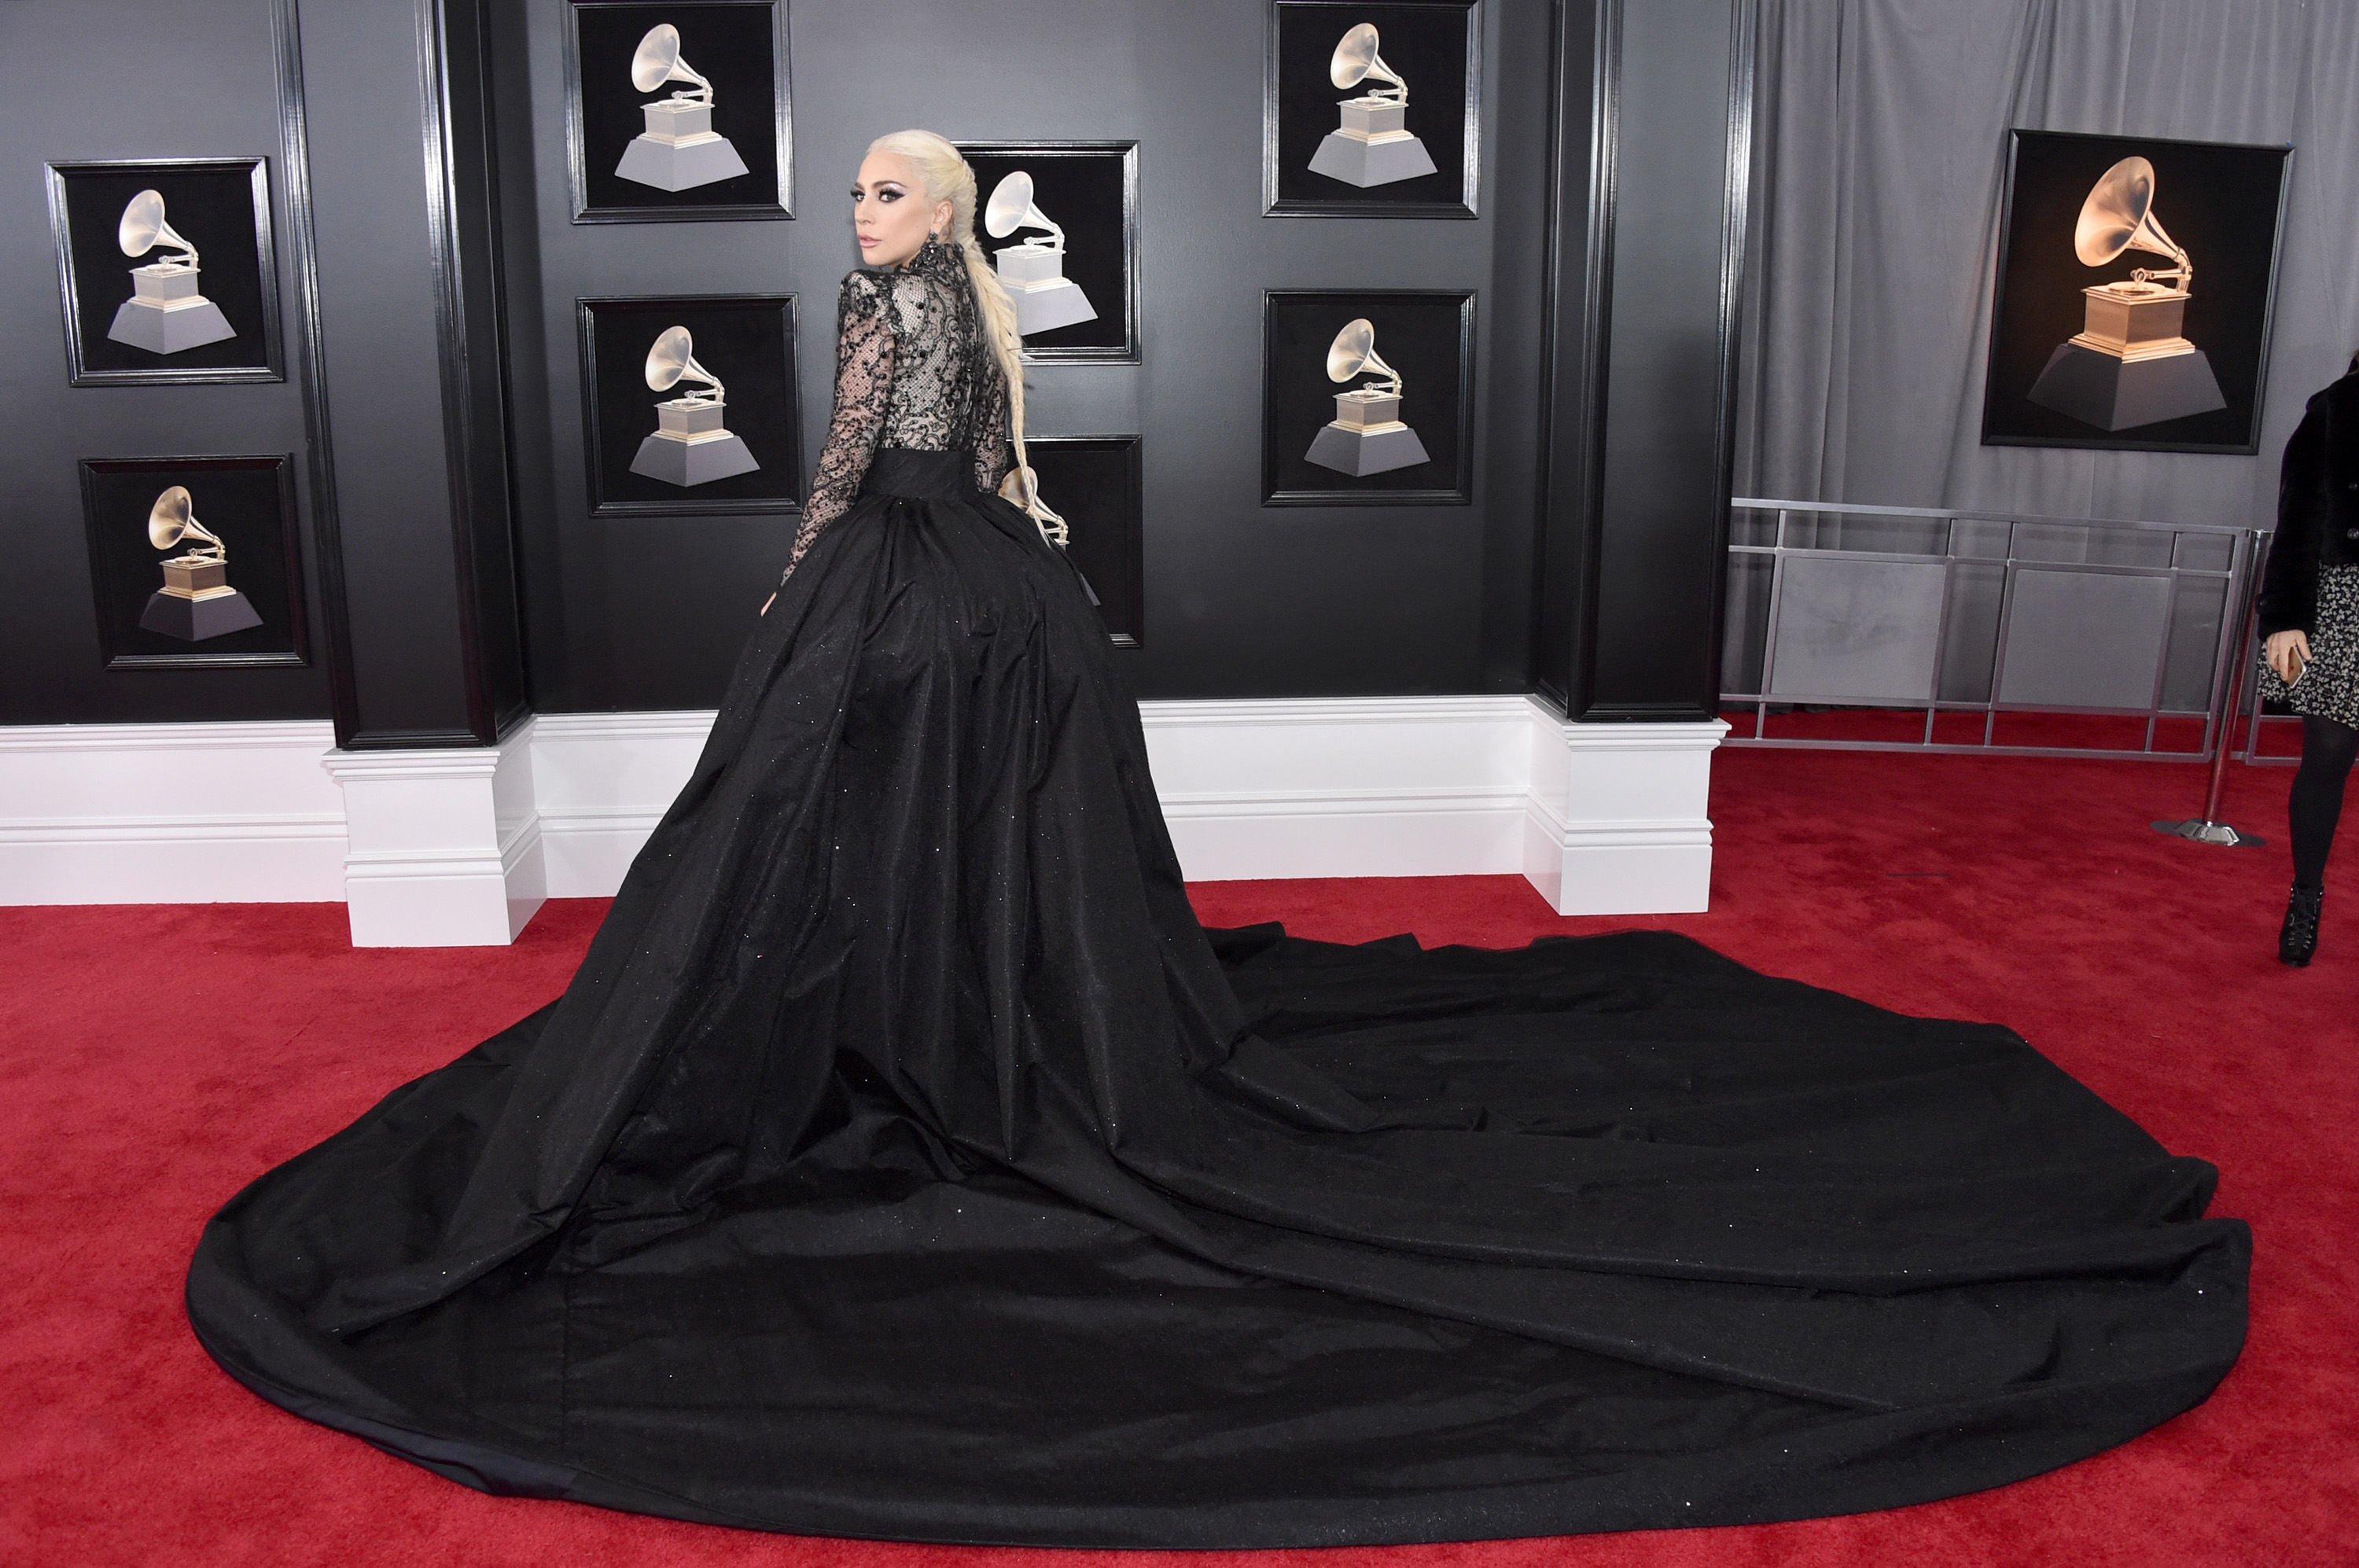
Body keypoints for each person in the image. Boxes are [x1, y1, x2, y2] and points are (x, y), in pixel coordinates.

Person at [185, 133, 2247, 1549]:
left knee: (831, 815)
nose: (868, 205)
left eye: (896, 185)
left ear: (943, 207)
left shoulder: (895, 307)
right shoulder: (963, 305)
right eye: (866, 184)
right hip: (993, 593)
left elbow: (852, 467)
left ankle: (935, 1007)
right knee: (909, 824)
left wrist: (798, 582)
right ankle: (951, 995)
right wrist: (999, 558)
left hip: (917, 593)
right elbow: (997, 456)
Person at [2260, 353, 2359, 967]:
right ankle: (2305, 896)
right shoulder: (2336, 408)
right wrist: (2283, 618)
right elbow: (2296, 520)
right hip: (2346, 600)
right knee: (2327, 755)